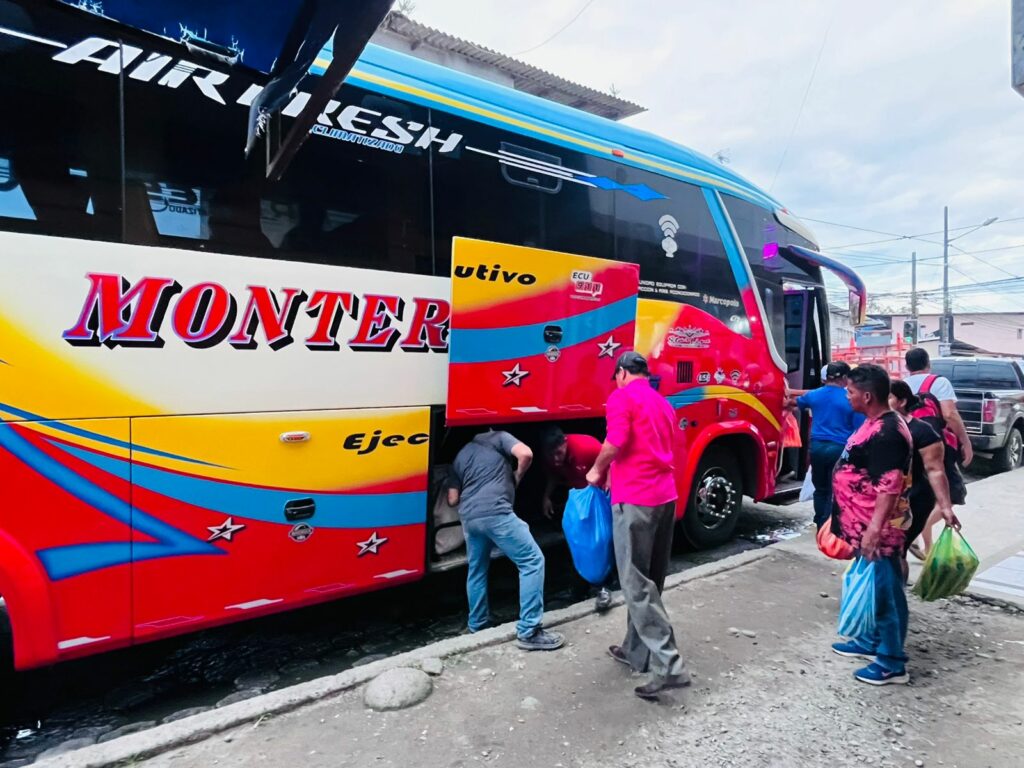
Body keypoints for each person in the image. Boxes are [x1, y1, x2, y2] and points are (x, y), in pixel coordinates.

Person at [586, 351, 689, 700]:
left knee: (635, 583)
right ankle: (635, 651)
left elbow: (615, 441)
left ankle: (669, 665)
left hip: (636, 499)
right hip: (665, 496)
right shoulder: (663, 403)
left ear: (621, 373)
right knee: (651, 580)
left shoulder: (621, 397)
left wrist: (597, 470)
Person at [830, 364, 913, 686]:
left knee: (886, 593)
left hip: (879, 531)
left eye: (850, 391)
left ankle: (892, 662)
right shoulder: (874, 423)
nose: (846, 396)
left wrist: (875, 532)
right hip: (862, 525)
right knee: (873, 588)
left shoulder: (888, 433)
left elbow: (889, 486)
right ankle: (871, 641)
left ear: (867, 396)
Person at [447, 429, 564, 651]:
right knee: (532, 561)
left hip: (470, 518)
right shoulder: (499, 436)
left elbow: (452, 499)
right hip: (496, 512)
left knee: (477, 570)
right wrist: (517, 476)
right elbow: (526, 454)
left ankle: (477, 625)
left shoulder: (461, 455)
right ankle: (529, 631)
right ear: (489, 426)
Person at [539, 426, 614, 612]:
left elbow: (612, 459)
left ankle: (605, 584)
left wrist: (609, 482)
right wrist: (547, 497)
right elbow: (553, 476)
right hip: (579, 497)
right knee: (577, 540)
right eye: (551, 455)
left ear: (565, 442)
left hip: (599, 494)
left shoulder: (585, 447)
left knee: (602, 540)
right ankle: (581, 587)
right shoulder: (551, 457)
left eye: (558, 453)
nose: (556, 459)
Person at [888, 381, 962, 558]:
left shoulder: (922, 431)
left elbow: (935, 470)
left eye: (888, 397)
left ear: (902, 402)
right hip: (883, 500)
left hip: (913, 500)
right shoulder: (873, 428)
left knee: (895, 551)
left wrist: (945, 507)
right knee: (886, 552)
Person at [792, 361, 865, 529]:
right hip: (840, 449)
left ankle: (820, 524)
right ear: (845, 377)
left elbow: (795, 403)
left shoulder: (815, 395)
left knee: (820, 489)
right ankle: (830, 526)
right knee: (836, 490)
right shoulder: (850, 399)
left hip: (816, 448)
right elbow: (860, 428)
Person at [904, 348, 973, 468]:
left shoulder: (900, 386)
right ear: (928, 364)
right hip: (935, 445)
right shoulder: (939, 382)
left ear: (907, 367)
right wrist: (966, 443)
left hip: (908, 445)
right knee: (946, 477)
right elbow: (950, 415)